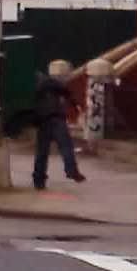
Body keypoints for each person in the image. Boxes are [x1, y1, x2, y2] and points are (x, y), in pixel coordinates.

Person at [32, 59, 86, 190]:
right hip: (56, 119)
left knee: (42, 151)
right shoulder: (57, 86)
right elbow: (69, 96)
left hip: (43, 120)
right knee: (66, 146)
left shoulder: (40, 85)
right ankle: (71, 170)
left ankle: (39, 179)